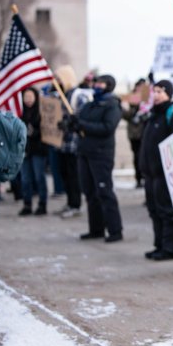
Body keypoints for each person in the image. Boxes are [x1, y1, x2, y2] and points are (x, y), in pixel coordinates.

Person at [72, 74, 124, 243]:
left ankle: (115, 230)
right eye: (97, 82)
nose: (97, 85)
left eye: (101, 83)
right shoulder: (89, 105)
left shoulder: (112, 105)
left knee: (104, 192)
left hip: (101, 154)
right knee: (89, 192)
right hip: (85, 153)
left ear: (109, 86)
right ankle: (96, 229)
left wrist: (83, 125)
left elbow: (107, 128)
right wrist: (71, 123)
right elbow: (80, 122)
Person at [138, 80, 173, 261]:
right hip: (151, 174)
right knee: (154, 211)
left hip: (166, 173)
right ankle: (159, 245)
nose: (156, 95)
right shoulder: (153, 115)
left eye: (160, 91)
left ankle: (171, 248)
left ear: (169, 94)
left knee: (167, 211)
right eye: (155, 91)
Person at [54, 65, 92, 219]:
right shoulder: (62, 95)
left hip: (75, 143)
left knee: (73, 175)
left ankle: (76, 205)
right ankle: (70, 202)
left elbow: (83, 116)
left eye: (59, 78)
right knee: (65, 174)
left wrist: (70, 123)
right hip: (63, 143)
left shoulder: (78, 95)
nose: (57, 81)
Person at [18, 87, 49, 216]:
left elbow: (48, 130)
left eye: (30, 97)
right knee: (25, 179)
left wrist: (34, 132)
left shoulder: (42, 111)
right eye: (26, 97)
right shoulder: (20, 111)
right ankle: (27, 204)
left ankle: (42, 204)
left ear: (36, 97)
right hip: (25, 150)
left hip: (39, 150)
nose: (28, 100)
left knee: (39, 177)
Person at [122, 78, 149, 189]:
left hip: (144, 133)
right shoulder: (131, 99)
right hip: (134, 134)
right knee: (136, 156)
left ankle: (144, 178)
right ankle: (138, 179)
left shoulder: (148, 99)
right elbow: (125, 115)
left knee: (144, 157)